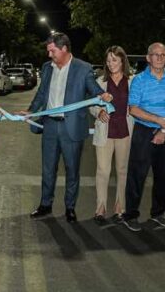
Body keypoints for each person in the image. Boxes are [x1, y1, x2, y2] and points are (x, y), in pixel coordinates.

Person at [25, 32, 109, 223]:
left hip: (71, 127)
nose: (49, 55)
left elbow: (93, 89)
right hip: (49, 126)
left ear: (64, 49)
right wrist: (30, 111)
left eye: (52, 51)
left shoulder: (83, 68)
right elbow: (41, 93)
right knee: (48, 169)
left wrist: (103, 95)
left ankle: (70, 208)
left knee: (72, 170)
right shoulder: (47, 68)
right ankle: (45, 205)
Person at [120, 42, 165, 232]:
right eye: (156, 54)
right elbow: (133, 109)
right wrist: (159, 121)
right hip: (144, 131)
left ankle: (158, 213)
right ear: (148, 57)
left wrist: (163, 129)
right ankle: (130, 215)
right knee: (137, 175)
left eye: (163, 55)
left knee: (162, 175)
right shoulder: (139, 80)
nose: (160, 58)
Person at [89, 46, 133, 224]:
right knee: (102, 171)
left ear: (122, 60)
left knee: (122, 171)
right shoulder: (100, 82)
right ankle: (100, 208)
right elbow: (91, 104)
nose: (111, 64)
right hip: (105, 132)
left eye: (114, 60)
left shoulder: (132, 81)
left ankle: (120, 207)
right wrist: (98, 112)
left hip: (125, 131)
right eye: (108, 60)